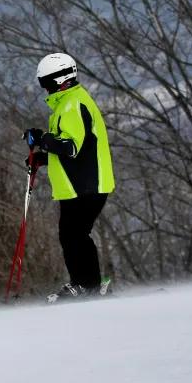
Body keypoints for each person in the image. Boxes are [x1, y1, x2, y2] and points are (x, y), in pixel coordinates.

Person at [23, 53, 115, 301]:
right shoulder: (68, 103)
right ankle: (89, 285)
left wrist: (42, 139)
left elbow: (71, 147)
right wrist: (42, 157)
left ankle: (85, 286)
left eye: (47, 82)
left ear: (60, 79)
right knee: (75, 234)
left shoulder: (73, 104)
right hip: (80, 184)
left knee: (73, 234)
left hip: (86, 185)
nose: (45, 88)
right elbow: (70, 149)